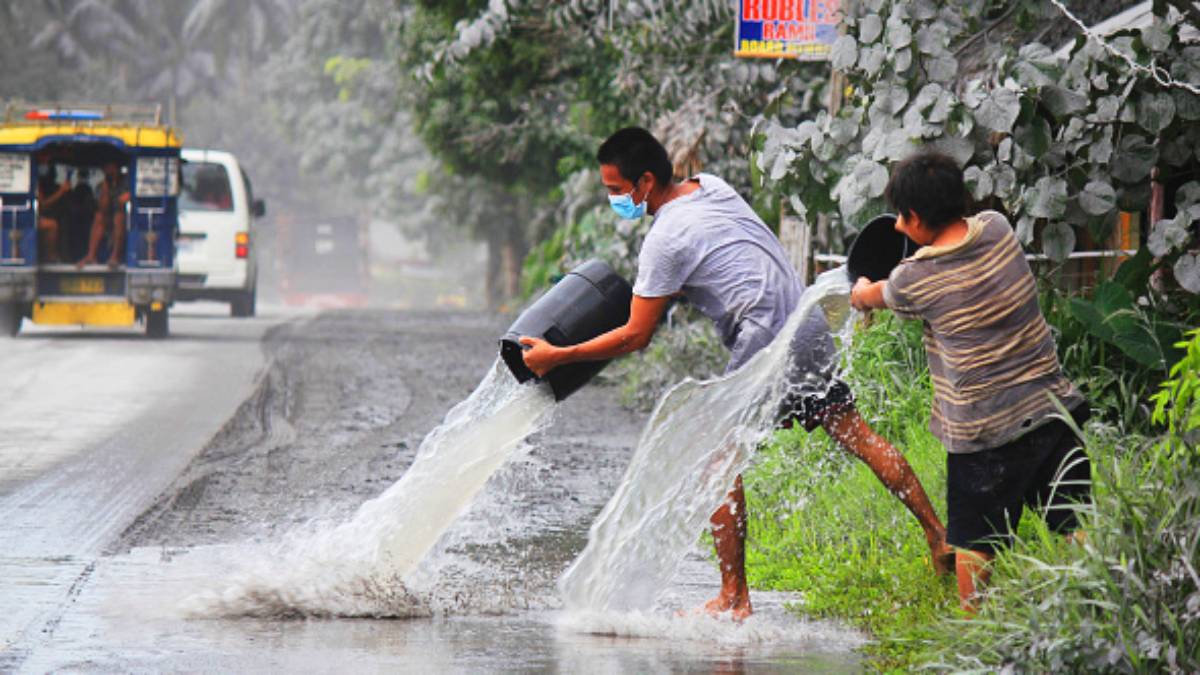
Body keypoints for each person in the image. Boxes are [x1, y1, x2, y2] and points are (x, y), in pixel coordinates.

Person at [520, 127, 953, 620]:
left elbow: (636, 335)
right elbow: (724, 261)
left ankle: (734, 597)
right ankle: (939, 536)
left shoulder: (663, 240)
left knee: (716, 460)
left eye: (618, 190)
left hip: (763, 338)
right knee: (856, 434)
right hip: (803, 320)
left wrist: (558, 354)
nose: (615, 199)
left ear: (644, 182)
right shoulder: (712, 186)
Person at [849, 151, 1091, 613]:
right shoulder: (998, 230)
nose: (898, 227)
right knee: (1072, 517)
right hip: (1051, 408)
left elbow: (872, 295)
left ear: (917, 218)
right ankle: (1089, 607)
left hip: (984, 433)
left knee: (975, 538)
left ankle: (975, 625)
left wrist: (860, 291)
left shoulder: (914, 279)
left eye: (903, 217)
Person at [77, 161, 130, 268]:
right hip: (110, 218)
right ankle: (91, 255)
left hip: (127, 218)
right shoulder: (104, 184)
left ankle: (115, 256)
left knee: (119, 217)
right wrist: (106, 187)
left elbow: (126, 199)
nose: (108, 170)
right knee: (99, 216)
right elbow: (103, 207)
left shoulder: (128, 180)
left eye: (110, 167)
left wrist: (128, 197)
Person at [35, 158, 70, 262]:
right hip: (30, 218)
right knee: (52, 224)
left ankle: (65, 256)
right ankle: (50, 257)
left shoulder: (52, 185)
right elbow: (43, 204)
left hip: (53, 214)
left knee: (65, 221)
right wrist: (61, 191)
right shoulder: (35, 182)